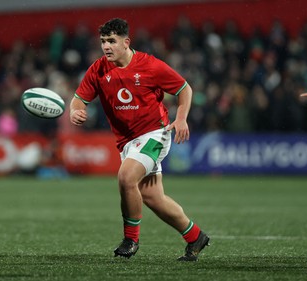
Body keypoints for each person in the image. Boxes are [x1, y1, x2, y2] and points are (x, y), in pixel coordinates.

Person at [70, 18, 209, 261]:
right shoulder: (99, 69)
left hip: (155, 134)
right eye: (103, 41)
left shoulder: (150, 65)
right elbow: (78, 98)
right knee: (153, 198)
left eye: (112, 41)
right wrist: (75, 110)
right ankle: (195, 236)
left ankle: (131, 239)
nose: (106, 47)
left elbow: (184, 89)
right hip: (127, 142)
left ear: (126, 42)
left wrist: (182, 118)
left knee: (126, 176)